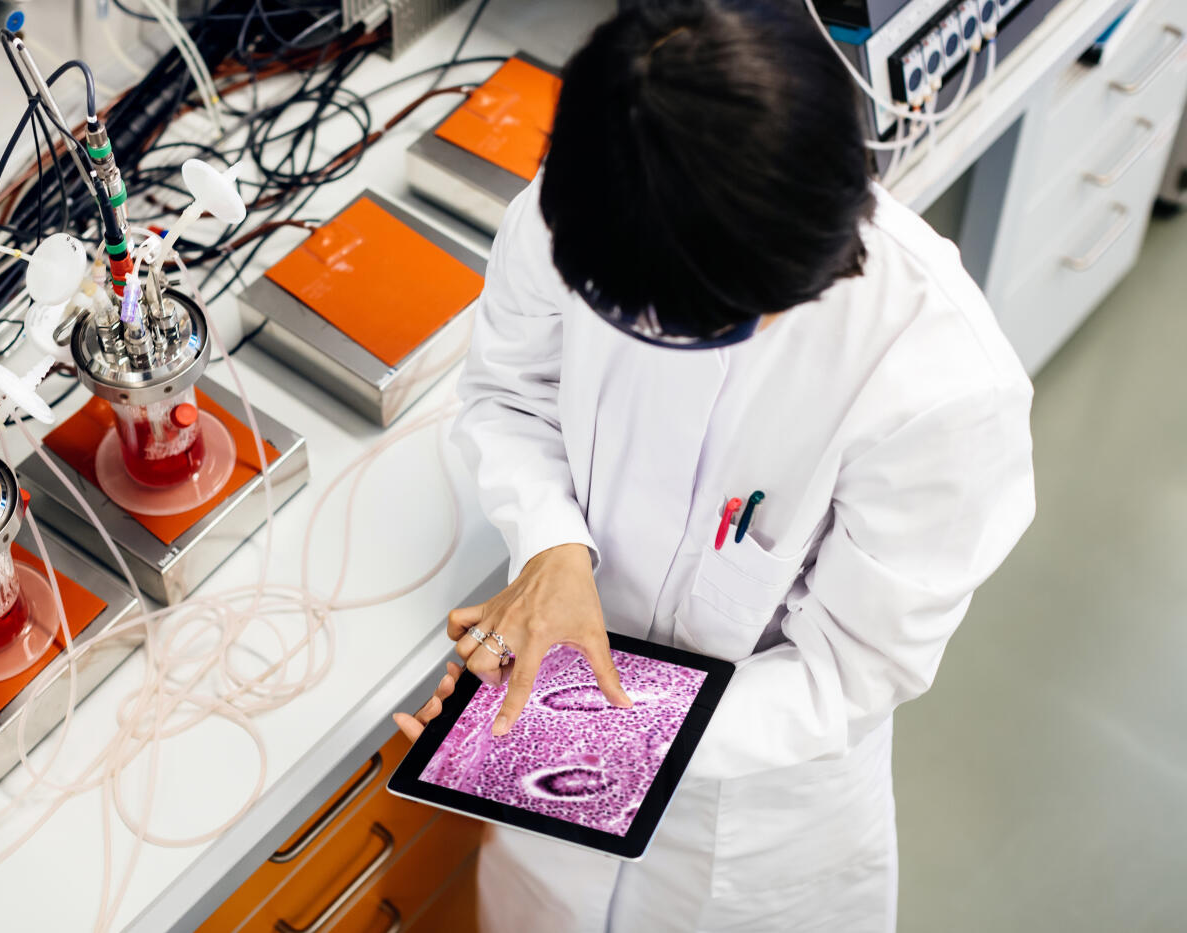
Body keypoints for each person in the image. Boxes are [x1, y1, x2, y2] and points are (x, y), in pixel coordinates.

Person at [393, 1, 1035, 930]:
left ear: (814, 258)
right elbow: (509, 394)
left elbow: (847, 672)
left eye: (707, 328)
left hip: (746, 822)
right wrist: (552, 548)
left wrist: (578, 733)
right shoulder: (587, 201)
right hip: (556, 768)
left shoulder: (938, 383)